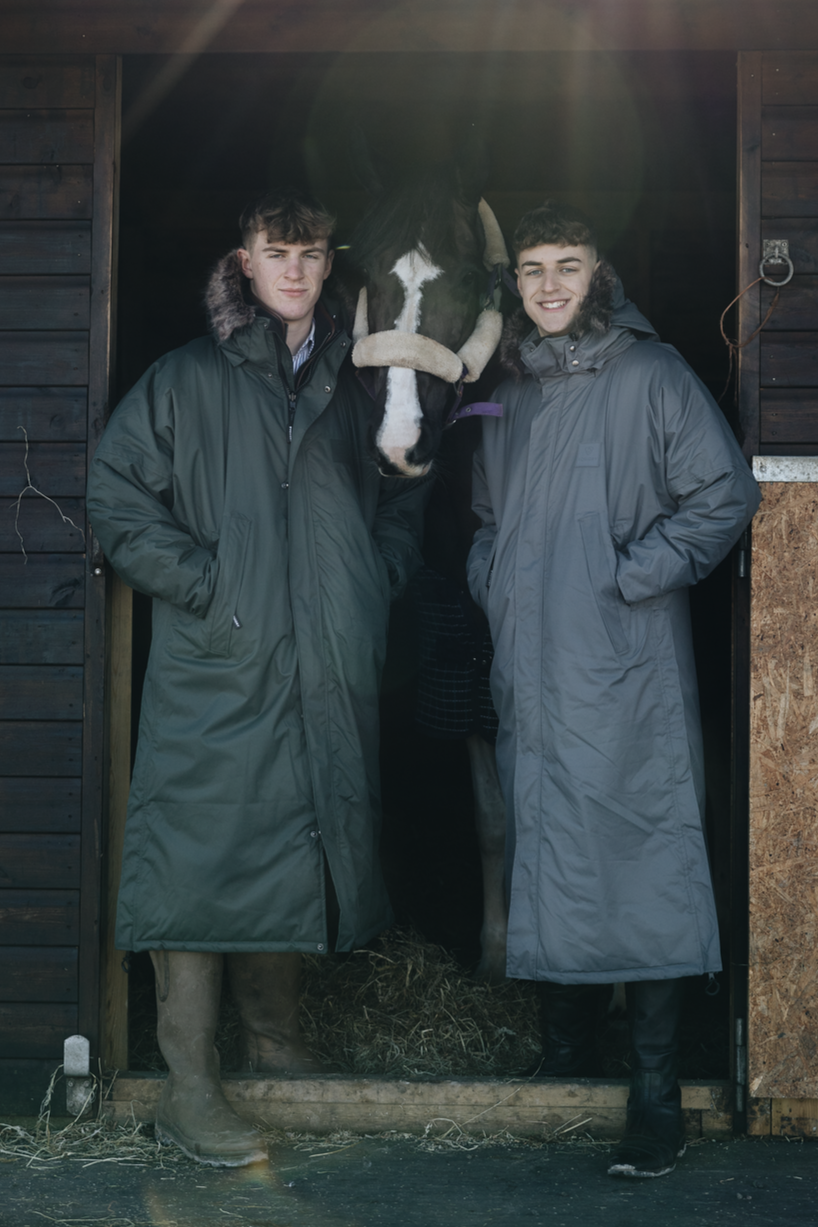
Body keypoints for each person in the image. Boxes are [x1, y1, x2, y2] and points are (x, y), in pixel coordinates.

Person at [87, 188, 426, 1167]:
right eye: (276, 253)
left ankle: (274, 1040)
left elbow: (409, 488)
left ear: (329, 267)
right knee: (196, 852)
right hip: (216, 660)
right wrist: (204, 585)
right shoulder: (186, 379)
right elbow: (115, 492)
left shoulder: (359, 383)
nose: (294, 270)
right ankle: (188, 1085)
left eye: (311, 256)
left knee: (294, 830)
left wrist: (374, 578)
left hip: (319, 658)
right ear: (243, 263)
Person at [466, 201, 760, 1178]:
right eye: (531, 270)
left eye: (567, 267)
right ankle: (563, 1061)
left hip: (624, 669)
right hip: (532, 669)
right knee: (545, 841)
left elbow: (722, 492)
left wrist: (627, 575)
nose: (547, 285)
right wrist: (493, 578)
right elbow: (480, 516)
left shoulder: (651, 374)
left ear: (600, 277)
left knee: (639, 857)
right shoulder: (507, 390)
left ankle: (653, 1093)